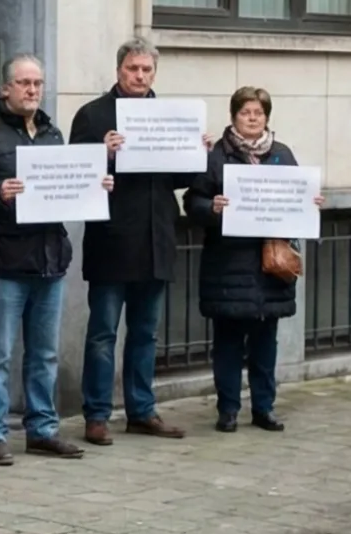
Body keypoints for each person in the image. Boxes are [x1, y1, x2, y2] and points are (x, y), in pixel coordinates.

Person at [0, 54, 107, 466]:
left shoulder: (52, 133)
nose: (32, 90)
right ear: (5, 89)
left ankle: (42, 430)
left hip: (49, 260)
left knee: (45, 355)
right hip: (4, 262)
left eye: (38, 83)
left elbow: (64, 186)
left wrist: (94, 184)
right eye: (24, 83)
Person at [68, 38, 203, 444]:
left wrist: (197, 154)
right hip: (112, 240)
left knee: (146, 334)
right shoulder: (92, 115)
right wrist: (103, 154)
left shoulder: (170, 117)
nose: (139, 76)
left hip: (156, 239)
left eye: (146, 70)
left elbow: (180, 179)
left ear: (154, 74)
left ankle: (141, 411)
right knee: (103, 334)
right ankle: (96, 415)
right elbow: (73, 173)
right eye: (133, 68)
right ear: (118, 70)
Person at [184, 87, 321, 435]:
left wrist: (310, 203)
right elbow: (193, 202)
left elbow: (298, 197)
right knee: (228, 344)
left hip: (269, 267)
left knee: (264, 344)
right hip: (228, 265)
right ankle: (228, 410)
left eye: (258, 112)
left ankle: (264, 408)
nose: (252, 118)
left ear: (267, 117)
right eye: (245, 112)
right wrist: (212, 208)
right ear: (234, 116)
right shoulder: (216, 156)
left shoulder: (281, 154)